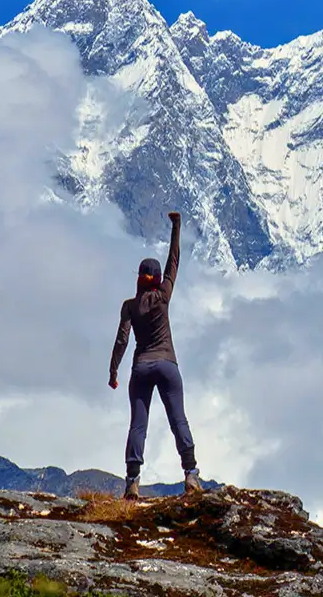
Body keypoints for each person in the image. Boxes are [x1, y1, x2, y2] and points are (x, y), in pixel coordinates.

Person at [108, 210, 202, 501]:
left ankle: (132, 482)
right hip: (167, 365)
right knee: (178, 419)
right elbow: (175, 260)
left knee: (138, 424)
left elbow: (122, 340)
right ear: (157, 278)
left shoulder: (129, 306)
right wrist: (177, 226)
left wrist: (113, 372)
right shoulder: (163, 296)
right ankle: (190, 475)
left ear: (138, 278)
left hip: (141, 367)